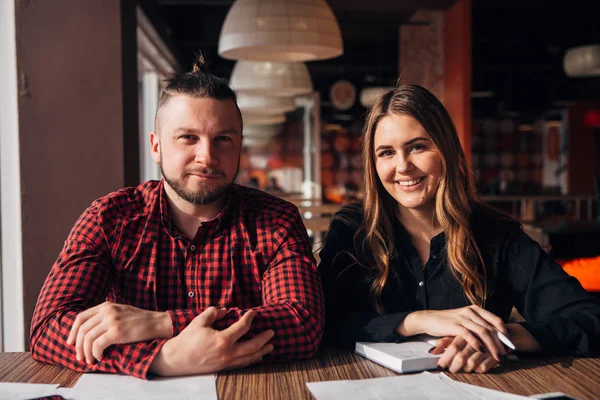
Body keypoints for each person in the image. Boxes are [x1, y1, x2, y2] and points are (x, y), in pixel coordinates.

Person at [30, 57, 324, 379]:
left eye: (223, 139)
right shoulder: (108, 219)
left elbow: (302, 322)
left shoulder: (277, 222)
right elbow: (48, 328)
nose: (207, 157)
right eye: (188, 138)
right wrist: (163, 358)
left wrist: (162, 323)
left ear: (240, 145)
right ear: (156, 147)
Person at [318, 85, 600, 374]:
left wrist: (501, 338)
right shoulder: (352, 230)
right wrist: (417, 320)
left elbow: (590, 319)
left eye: (417, 146)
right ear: (373, 164)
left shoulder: (496, 235)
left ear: (445, 150)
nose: (403, 166)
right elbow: (322, 324)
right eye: (387, 153)